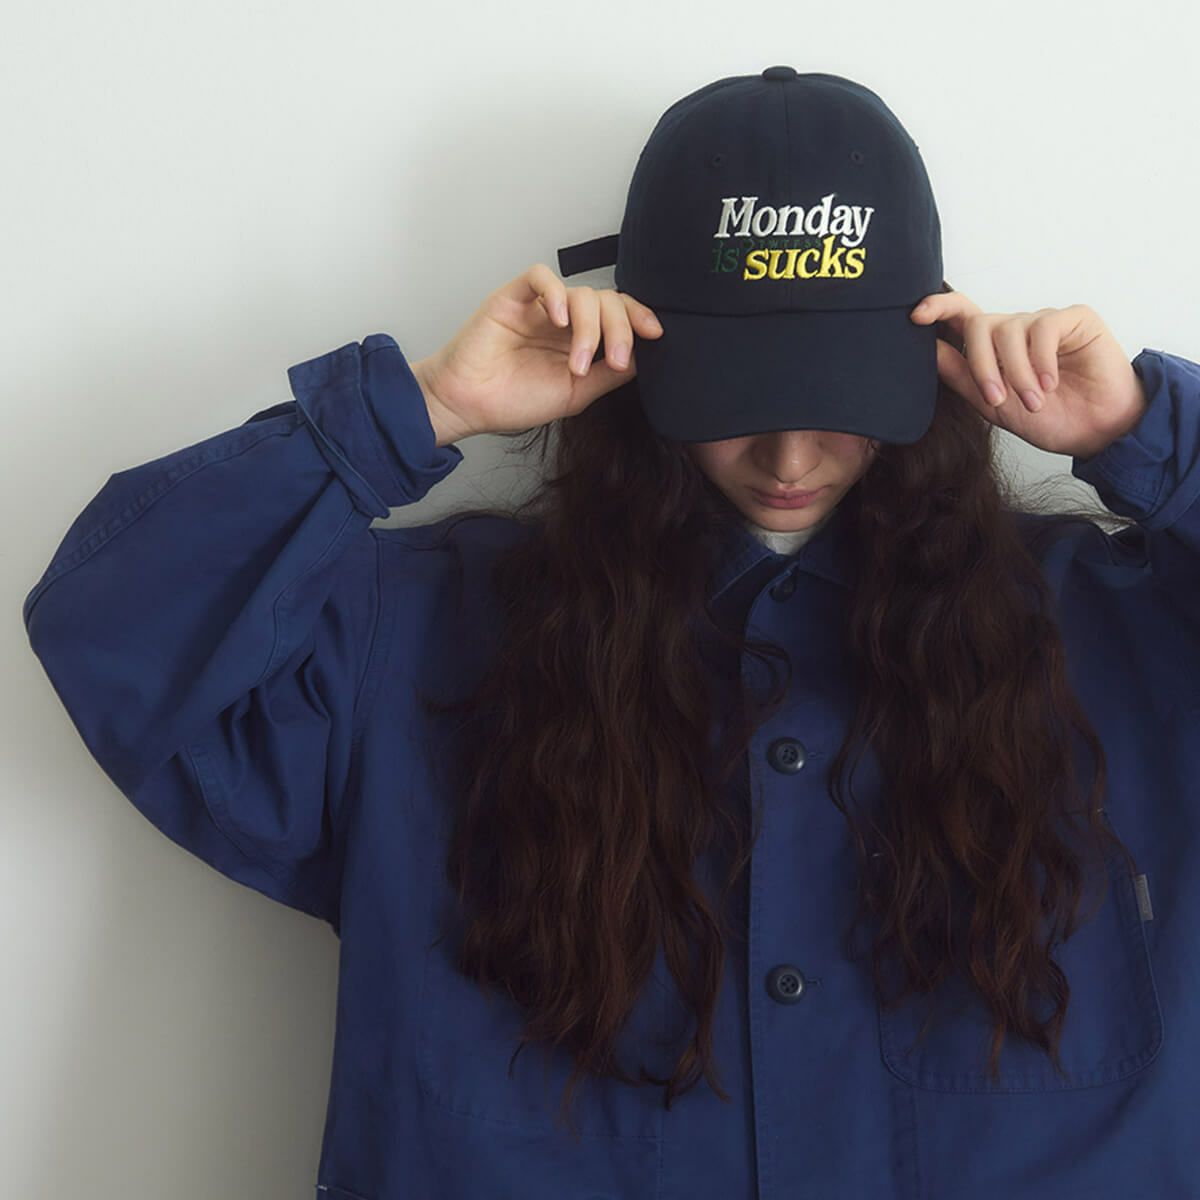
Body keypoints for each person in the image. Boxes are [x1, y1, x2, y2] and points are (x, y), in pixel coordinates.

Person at [22, 71, 1200, 1200]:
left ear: (925, 360)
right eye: (737, 398)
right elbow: (109, 625)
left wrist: (1149, 435)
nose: (789, 456)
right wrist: (421, 409)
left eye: (837, 395)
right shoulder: (413, 640)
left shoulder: (1125, 638)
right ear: (641, 362)